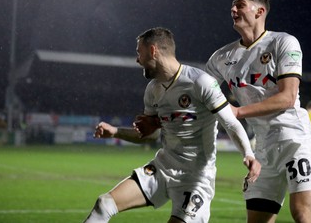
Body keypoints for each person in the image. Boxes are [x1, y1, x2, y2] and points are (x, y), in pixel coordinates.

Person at [83, 27, 261, 223]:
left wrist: (248, 154)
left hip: (196, 178)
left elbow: (230, 123)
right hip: (163, 168)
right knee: (104, 204)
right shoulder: (152, 90)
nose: (137, 60)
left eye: (138, 53)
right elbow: (149, 136)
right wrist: (116, 132)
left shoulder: (200, 82)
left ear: (153, 51)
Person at [205, 0, 311, 223]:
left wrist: (238, 111)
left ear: (260, 11)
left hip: (294, 140)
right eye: (233, 5)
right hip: (261, 148)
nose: (233, 9)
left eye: (240, 5)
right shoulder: (221, 57)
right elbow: (200, 93)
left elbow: (287, 97)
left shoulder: (283, 42)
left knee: (303, 214)